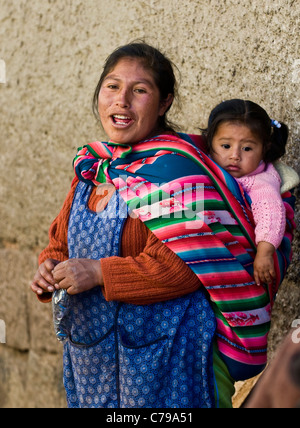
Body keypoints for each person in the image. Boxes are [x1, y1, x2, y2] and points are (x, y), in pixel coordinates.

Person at [31, 42, 295, 408]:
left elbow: (186, 266)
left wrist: (98, 272)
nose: (121, 100)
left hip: (170, 357)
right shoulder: (93, 167)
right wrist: (49, 268)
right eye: (112, 86)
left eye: (139, 90)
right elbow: (60, 243)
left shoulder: (178, 170)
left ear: (164, 102)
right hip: (95, 360)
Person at [201, 99, 299, 287]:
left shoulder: (261, 182)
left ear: (264, 149)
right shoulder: (208, 165)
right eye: (226, 146)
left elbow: (271, 215)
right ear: (210, 142)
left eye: (247, 148)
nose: (235, 155)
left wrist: (264, 253)